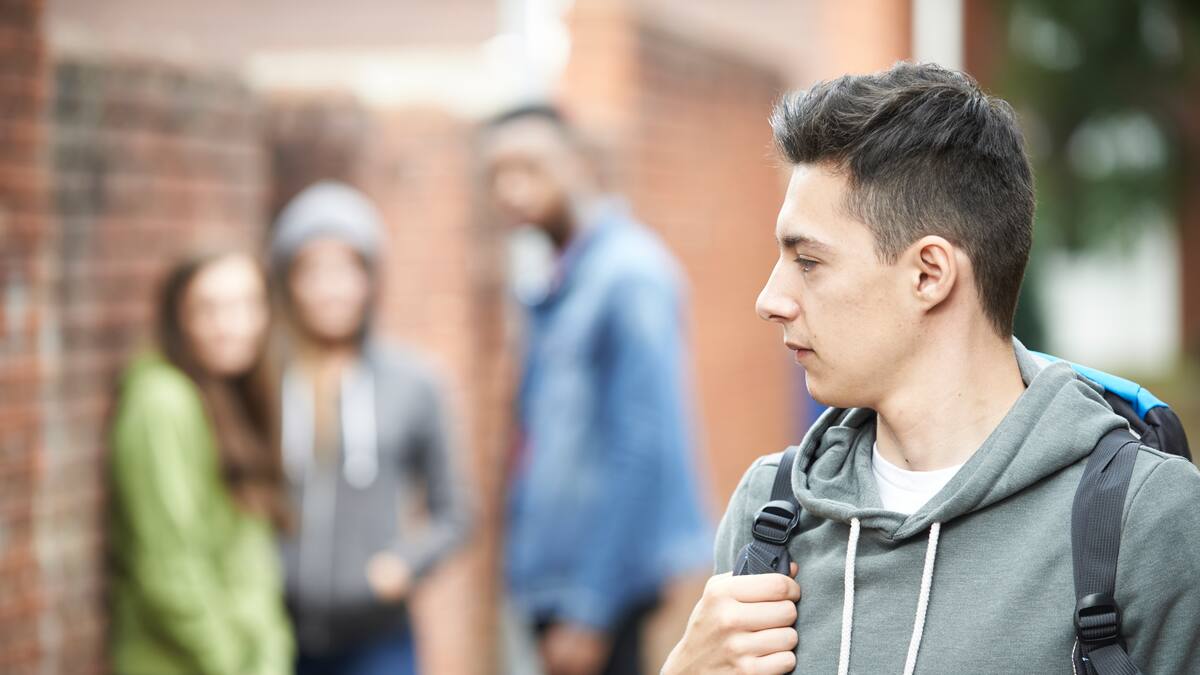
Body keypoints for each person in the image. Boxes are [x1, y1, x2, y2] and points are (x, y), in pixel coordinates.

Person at [663, 62, 1200, 674]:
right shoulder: (770, 512)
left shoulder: (1148, 522)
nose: (770, 299)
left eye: (808, 261)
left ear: (929, 274)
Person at [481, 105, 712, 675]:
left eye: (530, 167)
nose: (512, 188)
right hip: (556, 584)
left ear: (577, 163)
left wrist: (591, 608)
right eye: (498, 173)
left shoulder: (628, 275)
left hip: (595, 592)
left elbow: (644, 447)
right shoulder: (560, 277)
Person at [269, 181, 468, 675]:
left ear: (369, 278)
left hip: (378, 639)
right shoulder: (266, 379)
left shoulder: (414, 381)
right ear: (288, 281)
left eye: (346, 269)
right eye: (312, 271)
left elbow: (457, 510)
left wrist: (405, 563)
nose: (330, 288)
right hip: (274, 632)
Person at [109, 249, 293, 675]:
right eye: (209, 308)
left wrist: (271, 652)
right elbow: (168, 567)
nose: (232, 326)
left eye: (247, 305)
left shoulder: (229, 395)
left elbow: (250, 561)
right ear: (179, 319)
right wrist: (229, 662)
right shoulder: (163, 403)